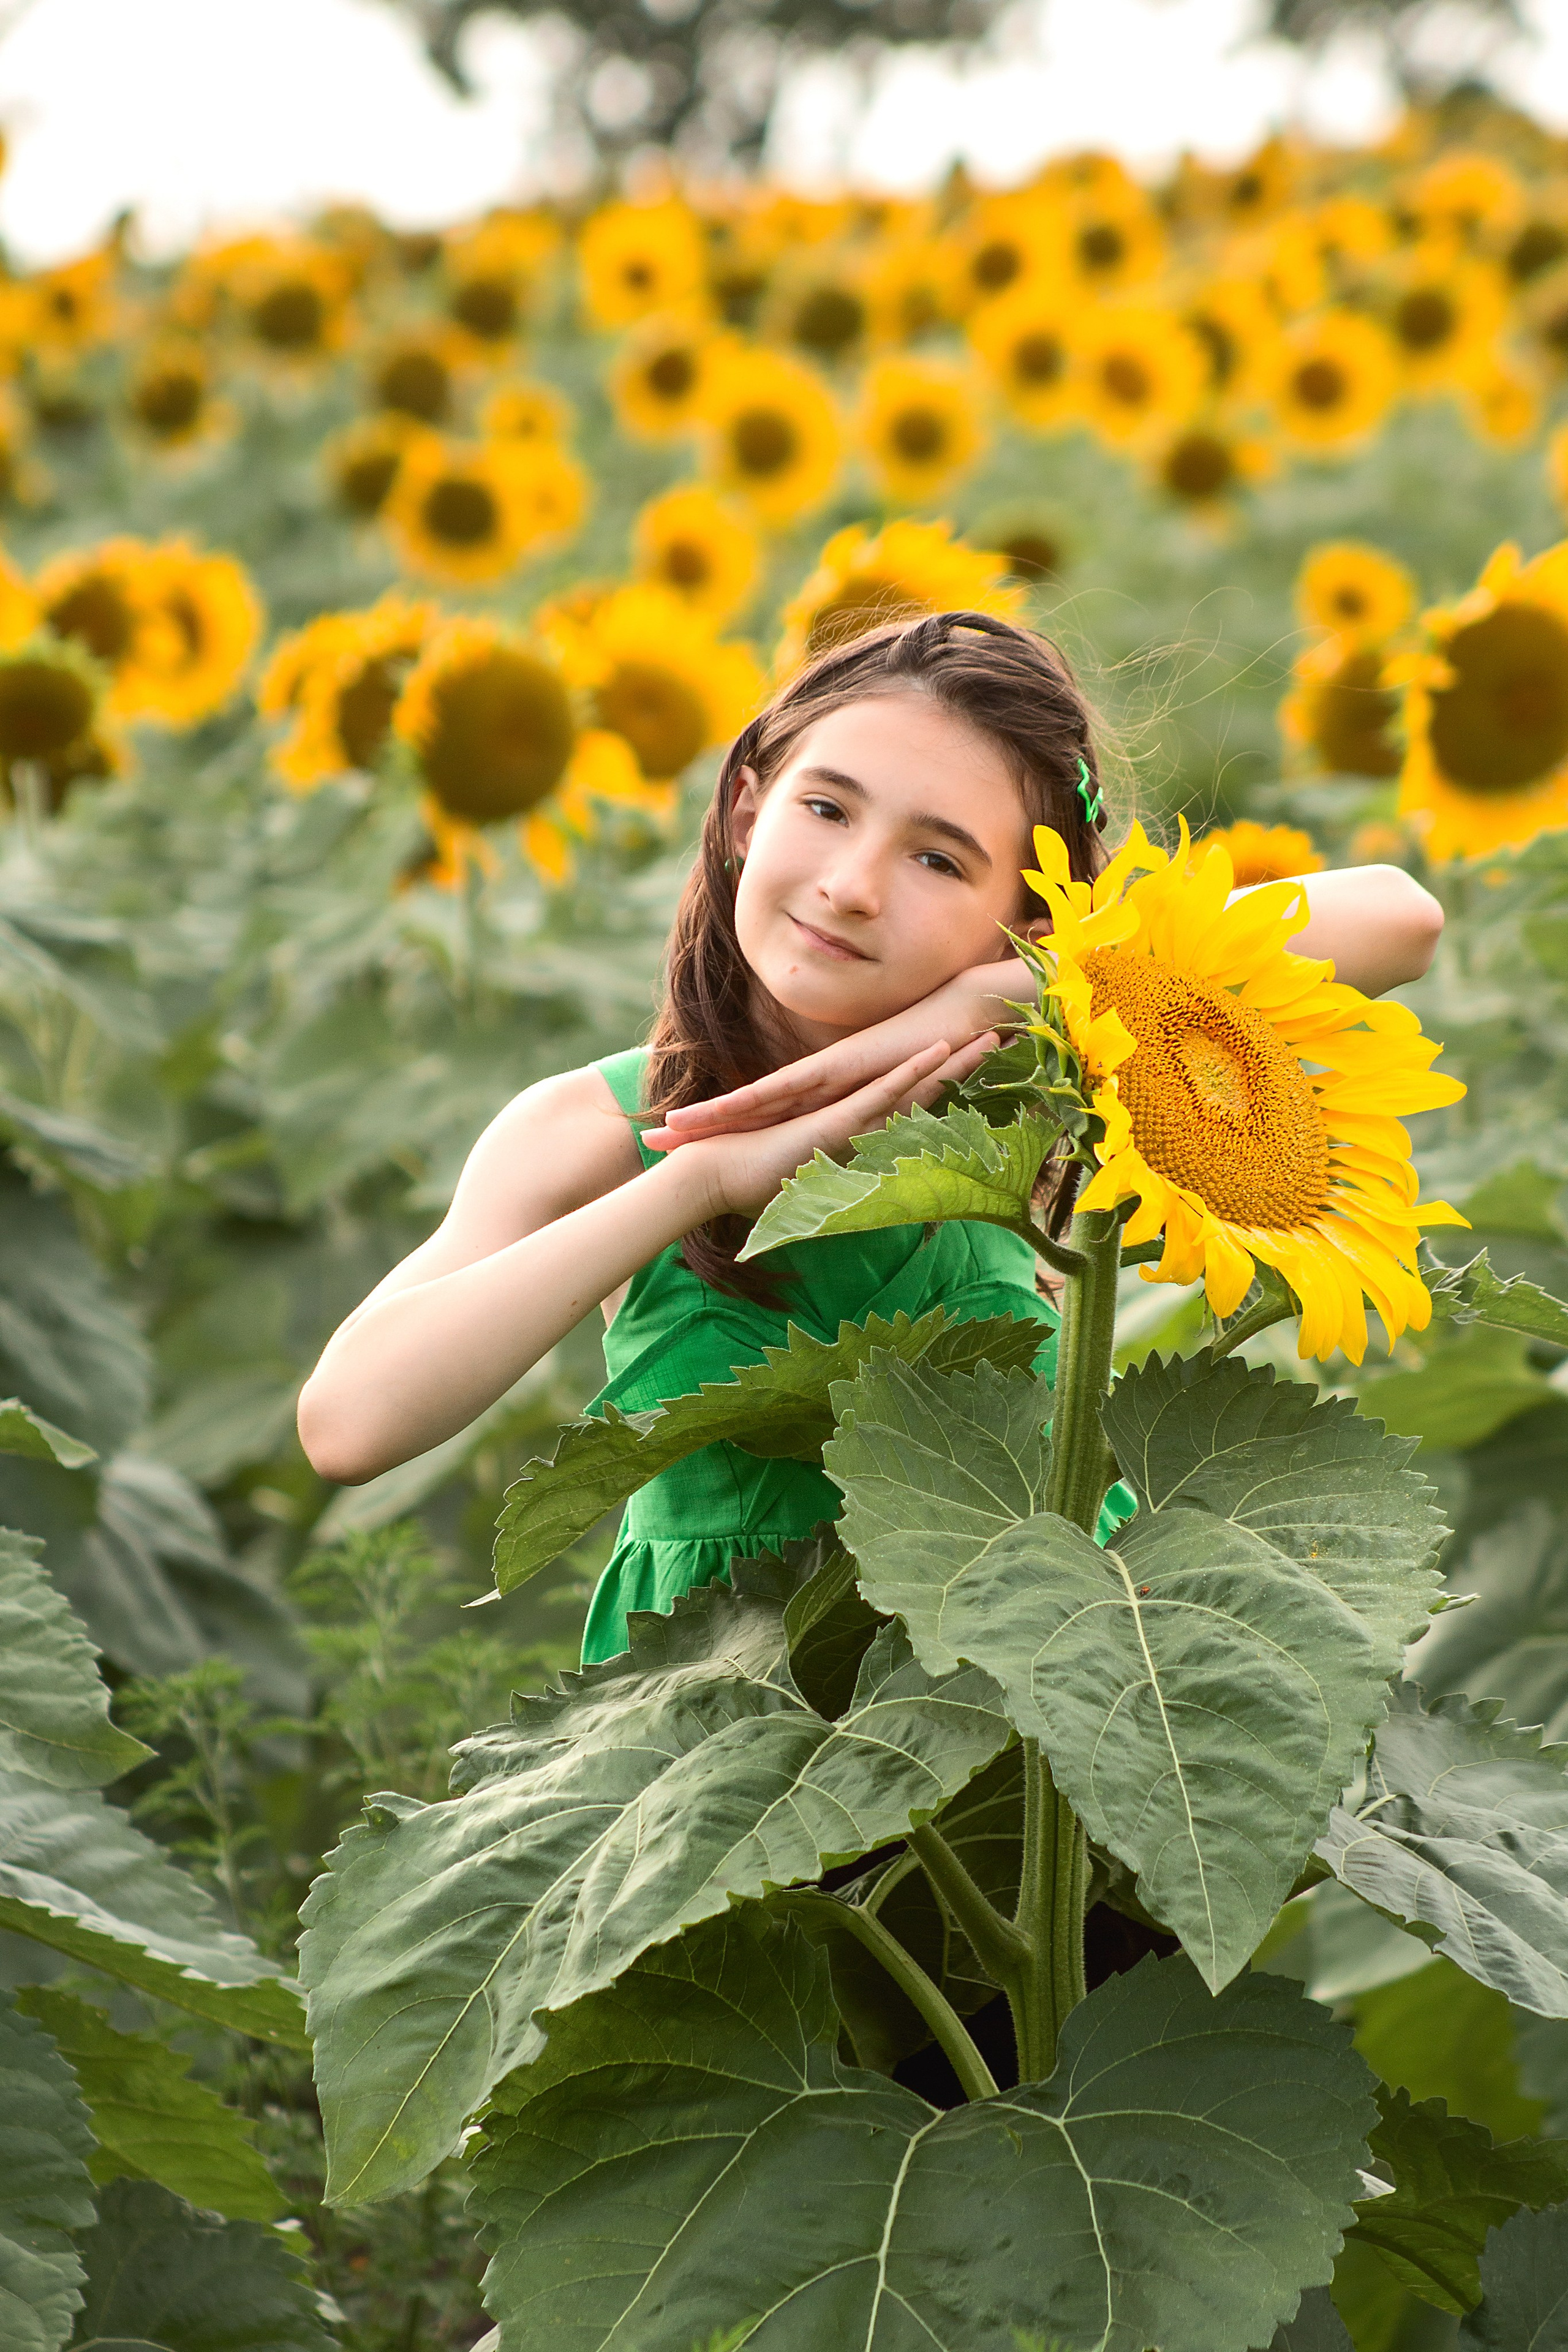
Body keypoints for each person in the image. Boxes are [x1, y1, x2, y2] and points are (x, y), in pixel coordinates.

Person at [298, 610, 1444, 1662]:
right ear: (748, 805)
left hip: (1053, 1701)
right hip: (738, 1736)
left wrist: (1013, 996)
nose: (851, 886)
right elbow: (349, 1423)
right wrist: (701, 1180)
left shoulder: (1030, 1086)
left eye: (938, 859)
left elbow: (1401, 917)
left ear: (1025, 917)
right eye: (827, 808)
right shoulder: (610, 1126)